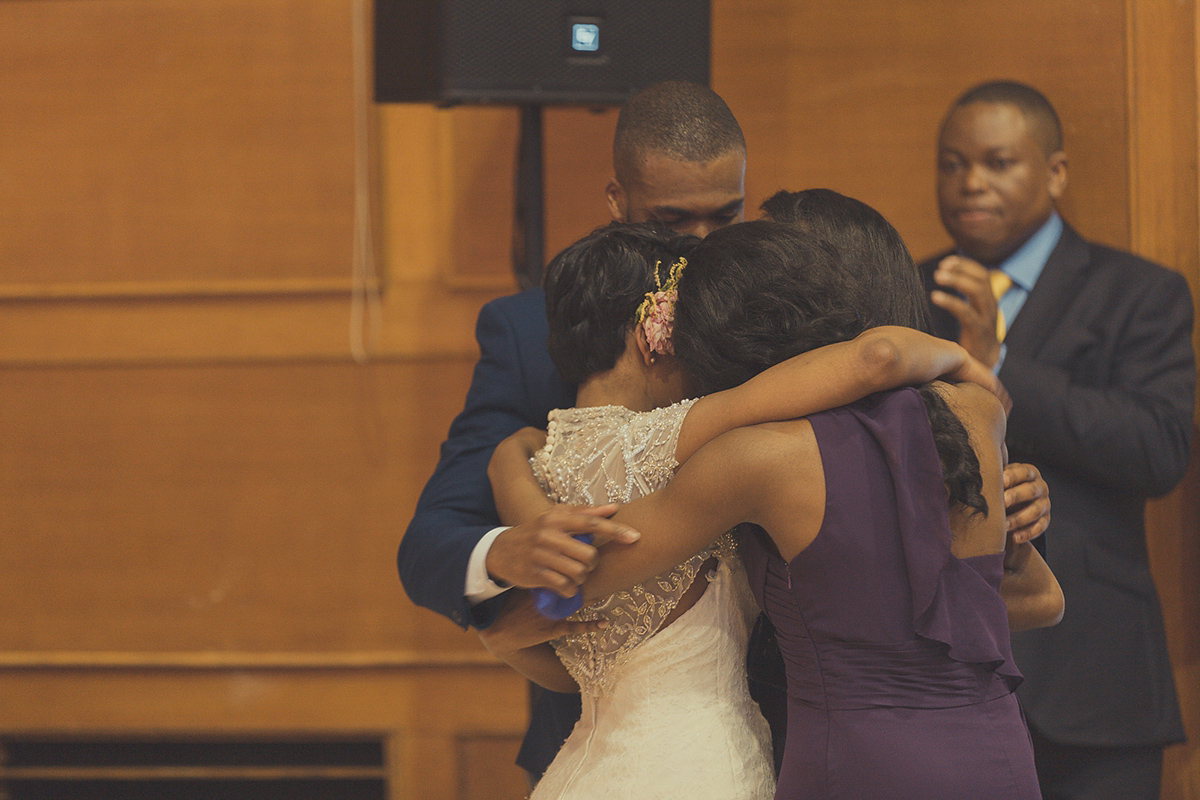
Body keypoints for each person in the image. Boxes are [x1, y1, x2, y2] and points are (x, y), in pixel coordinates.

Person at [490, 218, 1064, 799]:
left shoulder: (752, 460)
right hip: (993, 751)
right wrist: (965, 365)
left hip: (851, 760)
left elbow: (583, 569)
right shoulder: (976, 417)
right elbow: (1043, 597)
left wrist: (511, 506)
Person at [918, 80, 1194, 799]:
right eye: (951, 163)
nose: (970, 182)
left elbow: (1158, 448)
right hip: (939, 677)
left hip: (1096, 682)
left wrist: (999, 363)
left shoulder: (1141, 292)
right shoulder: (908, 296)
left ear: (1055, 171)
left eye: (997, 162)